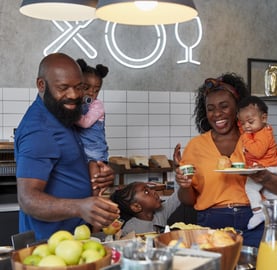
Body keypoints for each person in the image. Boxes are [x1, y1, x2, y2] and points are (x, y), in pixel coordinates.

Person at [173, 73, 277, 247]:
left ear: (238, 108)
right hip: (212, 223)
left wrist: (264, 176)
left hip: (256, 219)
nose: (217, 114)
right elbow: (188, 200)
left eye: (224, 106)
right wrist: (184, 185)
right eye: (211, 108)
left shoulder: (259, 139)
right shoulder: (196, 146)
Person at [14, 53, 120, 241]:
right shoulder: (39, 130)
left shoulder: (62, 115)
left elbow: (67, 166)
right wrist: (80, 207)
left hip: (75, 237)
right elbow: (28, 199)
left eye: (79, 87)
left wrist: (99, 177)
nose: (73, 95)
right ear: (41, 85)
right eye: (63, 88)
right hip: (49, 245)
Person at [237, 95, 277, 230]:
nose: (246, 126)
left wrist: (244, 137)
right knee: (269, 192)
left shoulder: (263, 133)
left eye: (250, 122)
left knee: (250, 188)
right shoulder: (256, 130)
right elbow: (244, 127)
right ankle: (276, 208)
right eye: (243, 123)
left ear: (264, 118)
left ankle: (258, 212)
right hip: (271, 166)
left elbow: (257, 152)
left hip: (269, 167)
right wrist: (244, 129)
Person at [76, 59, 109, 195]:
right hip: (81, 148)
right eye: (86, 88)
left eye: (96, 90)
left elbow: (85, 123)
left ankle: (96, 199)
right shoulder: (77, 103)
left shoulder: (97, 105)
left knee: (94, 178)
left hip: (94, 149)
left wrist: (69, 115)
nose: (91, 93)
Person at [110, 182, 180, 235]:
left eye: (150, 189)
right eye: (146, 192)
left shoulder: (161, 213)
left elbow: (177, 197)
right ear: (136, 207)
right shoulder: (129, 230)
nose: (154, 192)